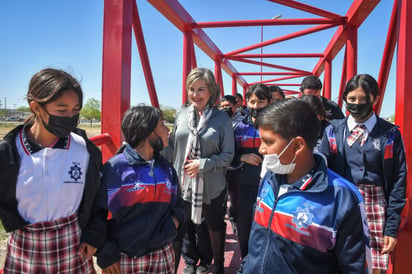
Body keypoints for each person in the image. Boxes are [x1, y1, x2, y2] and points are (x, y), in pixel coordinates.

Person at [240, 99, 371, 273]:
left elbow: (354, 266)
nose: (261, 149)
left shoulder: (342, 197)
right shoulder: (269, 179)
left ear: (297, 145)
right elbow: (257, 242)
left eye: (268, 142)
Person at [0, 68, 107, 273]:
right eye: (61, 110)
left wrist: (94, 234)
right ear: (36, 107)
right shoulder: (8, 153)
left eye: (75, 110)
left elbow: (98, 198)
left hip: (73, 246)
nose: (70, 116)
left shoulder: (84, 149)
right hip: (25, 250)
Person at [319, 74, 407, 274]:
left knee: (375, 265)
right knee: (338, 260)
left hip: (376, 206)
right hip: (340, 203)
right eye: (351, 99)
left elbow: (398, 181)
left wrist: (391, 229)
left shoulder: (390, 134)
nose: (357, 104)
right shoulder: (332, 131)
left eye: (363, 99)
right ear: (344, 99)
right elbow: (320, 167)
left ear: (375, 99)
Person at [97, 105, 184, 274]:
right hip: (124, 259)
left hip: (162, 254)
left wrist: (172, 226)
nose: (168, 130)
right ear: (148, 131)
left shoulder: (167, 169)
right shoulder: (115, 169)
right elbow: (97, 214)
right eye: (162, 124)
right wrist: (106, 254)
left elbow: (178, 206)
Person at [163, 67, 234, 274]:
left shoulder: (222, 119)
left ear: (211, 90)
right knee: (186, 225)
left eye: (201, 89)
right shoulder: (181, 114)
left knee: (212, 226)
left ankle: (215, 263)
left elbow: (228, 155)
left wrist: (203, 164)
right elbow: (172, 147)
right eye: (191, 89)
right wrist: (146, 146)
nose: (195, 94)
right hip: (183, 183)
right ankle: (190, 262)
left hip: (212, 185)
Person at [231, 83, 271, 260]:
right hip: (244, 184)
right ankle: (246, 260)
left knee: (268, 226)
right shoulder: (237, 126)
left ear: (269, 102)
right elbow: (226, 153)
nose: (255, 106)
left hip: (271, 185)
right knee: (245, 224)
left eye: (261, 102)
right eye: (252, 101)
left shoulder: (277, 125)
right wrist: (241, 157)